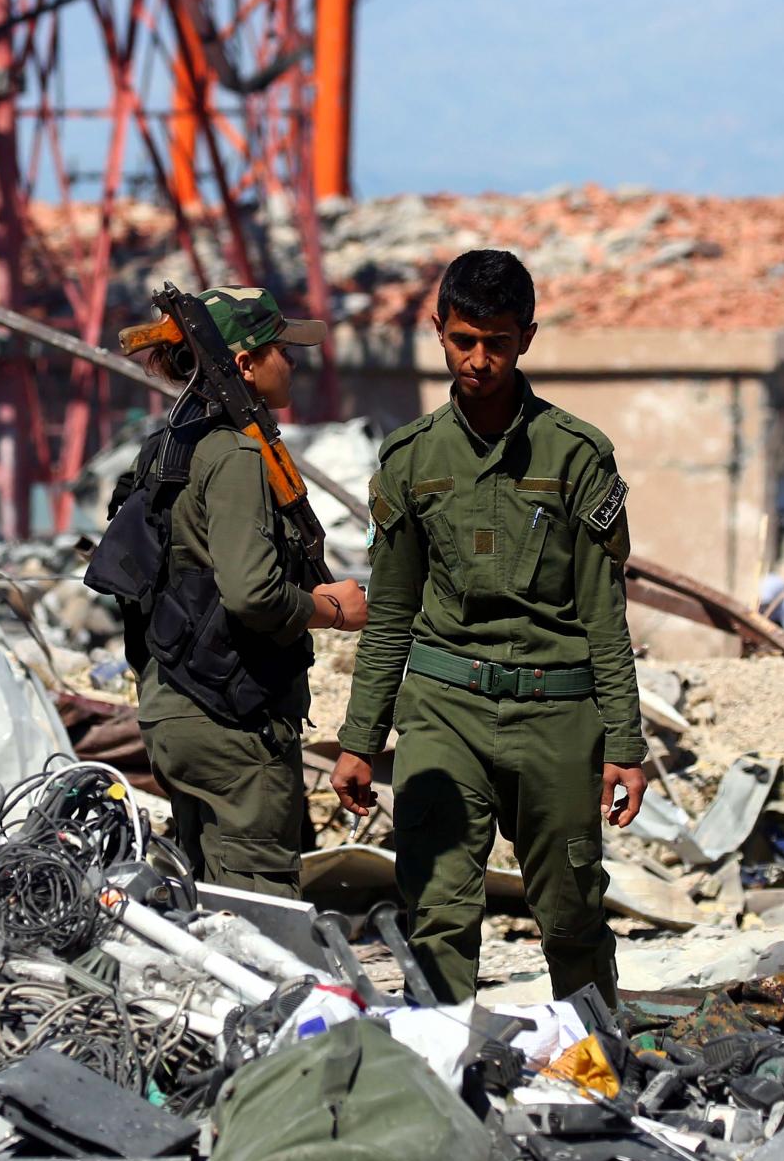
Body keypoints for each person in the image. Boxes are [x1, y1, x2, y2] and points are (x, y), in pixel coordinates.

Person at [331, 251, 646, 1005]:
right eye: (464, 339)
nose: (479, 360)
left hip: (557, 716)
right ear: (439, 331)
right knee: (437, 911)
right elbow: (393, 609)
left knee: (571, 915)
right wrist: (359, 736)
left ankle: (599, 1069)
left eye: (498, 342)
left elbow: (606, 611)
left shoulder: (577, 455)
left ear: (527, 338)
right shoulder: (411, 459)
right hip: (446, 710)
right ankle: (446, 1081)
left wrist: (627, 745)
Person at [97, 287, 368, 898]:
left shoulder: (164, 449)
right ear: (244, 364)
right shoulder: (236, 456)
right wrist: (331, 610)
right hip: (231, 718)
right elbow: (251, 594)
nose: (292, 363)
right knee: (262, 917)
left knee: (207, 908)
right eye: (281, 350)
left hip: (174, 708)